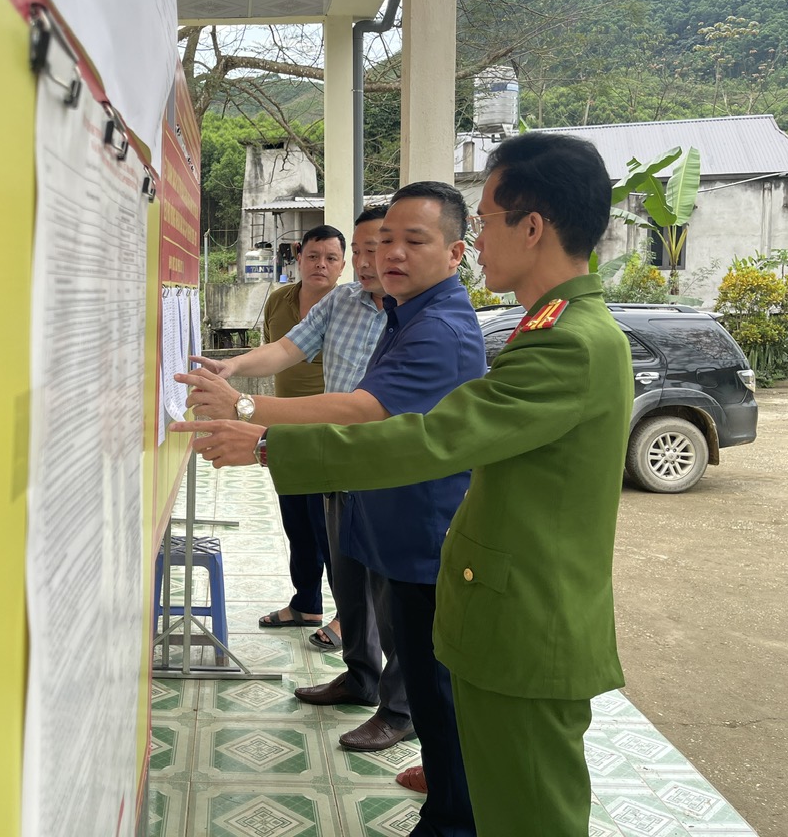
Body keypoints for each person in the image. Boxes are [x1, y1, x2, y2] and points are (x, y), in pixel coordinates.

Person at [172, 132, 632, 837]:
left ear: (532, 227)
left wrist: (265, 443)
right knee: (499, 792)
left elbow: (429, 437)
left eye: (483, 223)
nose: (476, 242)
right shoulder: (547, 329)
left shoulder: (568, 343)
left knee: (529, 814)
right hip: (500, 612)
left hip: (527, 625)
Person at [182, 182, 485, 826]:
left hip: (418, 525)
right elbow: (296, 354)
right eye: (383, 241)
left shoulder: (437, 328)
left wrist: (250, 420)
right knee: (375, 611)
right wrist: (238, 381)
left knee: (429, 666)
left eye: (410, 241)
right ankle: (434, 755)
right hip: (370, 491)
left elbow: (366, 410)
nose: (390, 255)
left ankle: (450, 802)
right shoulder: (398, 313)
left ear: (457, 252)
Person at [189, 207, 387, 654]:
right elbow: (285, 348)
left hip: (367, 448)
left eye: (369, 250)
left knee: (363, 557)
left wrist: (243, 406)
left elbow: (361, 408)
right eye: (359, 252)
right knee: (317, 533)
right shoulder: (339, 302)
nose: (367, 262)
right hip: (312, 440)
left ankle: (370, 662)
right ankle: (355, 665)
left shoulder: (414, 316)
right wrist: (232, 366)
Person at [252, 224, 345, 633]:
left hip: (331, 432)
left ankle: (348, 617)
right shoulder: (279, 301)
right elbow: (274, 352)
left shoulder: (355, 307)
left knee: (333, 530)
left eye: (330, 258)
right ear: (298, 257)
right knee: (297, 523)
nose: (320, 265)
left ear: (343, 265)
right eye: (313, 256)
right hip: (284, 431)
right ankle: (306, 604)